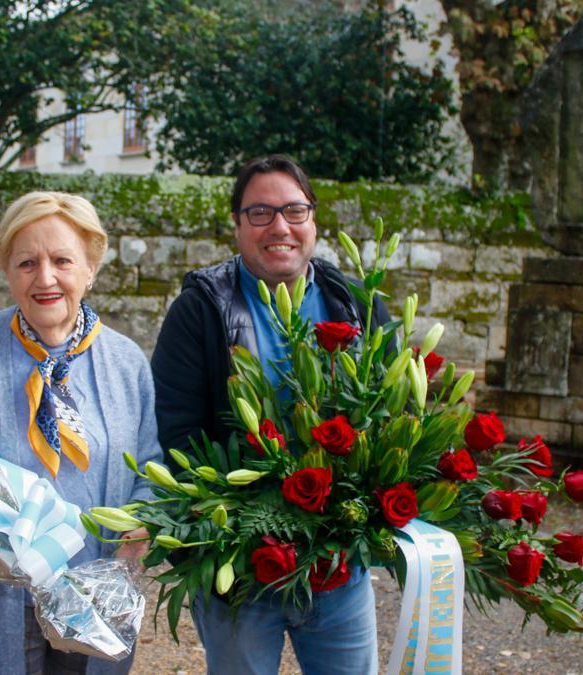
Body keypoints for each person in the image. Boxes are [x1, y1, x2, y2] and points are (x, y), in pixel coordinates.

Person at [150, 154, 391, 675]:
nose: (279, 226)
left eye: (294, 210)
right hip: (241, 569)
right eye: (259, 213)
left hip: (338, 566)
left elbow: (392, 419)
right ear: (237, 224)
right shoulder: (201, 310)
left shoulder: (357, 304)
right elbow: (178, 433)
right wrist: (236, 530)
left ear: (314, 221)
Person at [0, 191, 159, 675]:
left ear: (91, 268)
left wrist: (138, 540)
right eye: (27, 262)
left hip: (95, 594)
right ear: (7, 270)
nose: (46, 278)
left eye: (62, 260)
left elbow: (151, 467)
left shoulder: (127, 363)